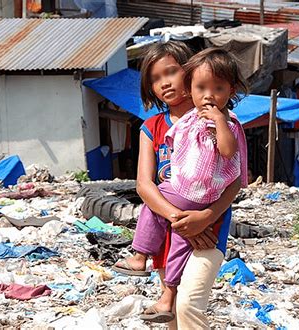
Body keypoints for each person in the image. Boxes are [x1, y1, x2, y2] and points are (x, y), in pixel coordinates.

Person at [112, 41, 247, 329]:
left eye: (171, 72)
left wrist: (205, 218)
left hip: (209, 228)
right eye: (155, 79)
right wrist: (180, 221)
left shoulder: (219, 120)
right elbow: (144, 186)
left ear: (189, 73)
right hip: (168, 230)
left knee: (189, 304)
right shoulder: (152, 128)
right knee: (170, 313)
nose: (164, 83)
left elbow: (235, 181)